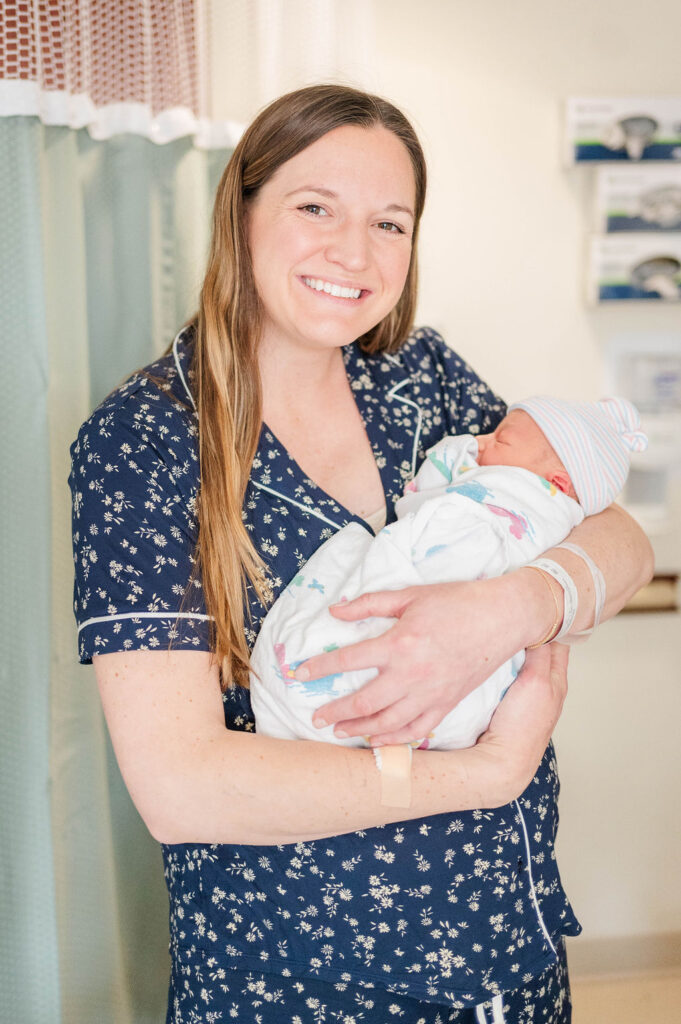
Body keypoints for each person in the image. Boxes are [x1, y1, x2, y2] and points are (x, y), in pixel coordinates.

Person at [69, 85, 653, 1023]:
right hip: (296, 982)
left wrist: (509, 609)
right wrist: (485, 773)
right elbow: (182, 788)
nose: (355, 254)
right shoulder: (147, 442)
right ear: (242, 210)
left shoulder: (418, 377)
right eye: (314, 208)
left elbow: (619, 536)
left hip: (506, 950)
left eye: (391, 222)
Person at [250, 397, 648, 751]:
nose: (481, 440)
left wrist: (521, 605)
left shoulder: (533, 504)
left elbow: (635, 550)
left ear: (557, 483)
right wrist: (499, 770)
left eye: (501, 440)